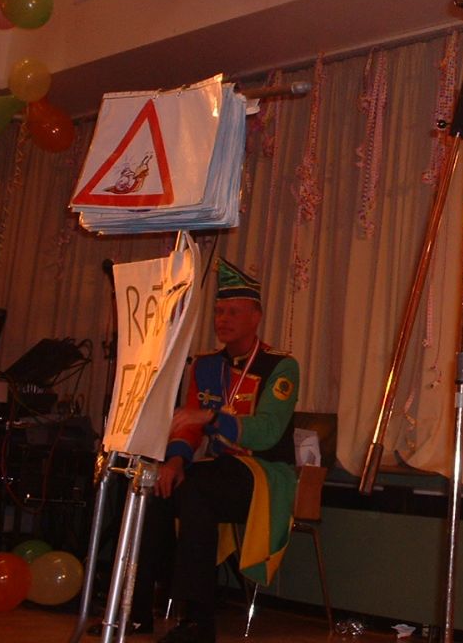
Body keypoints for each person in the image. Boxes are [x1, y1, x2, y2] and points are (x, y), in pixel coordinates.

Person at [99, 257, 299, 643]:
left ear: (256, 317)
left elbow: (267, 432)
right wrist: (175, 460)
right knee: (155, 484)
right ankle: (135, 610)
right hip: (219, 469)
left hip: (265, 475)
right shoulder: (205, 366)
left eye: (234, 312)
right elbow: (187, 428)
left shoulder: (281, 366)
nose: (223, 319)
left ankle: (197, 621)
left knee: (196, 488)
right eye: (219, 311)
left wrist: (210, 417)